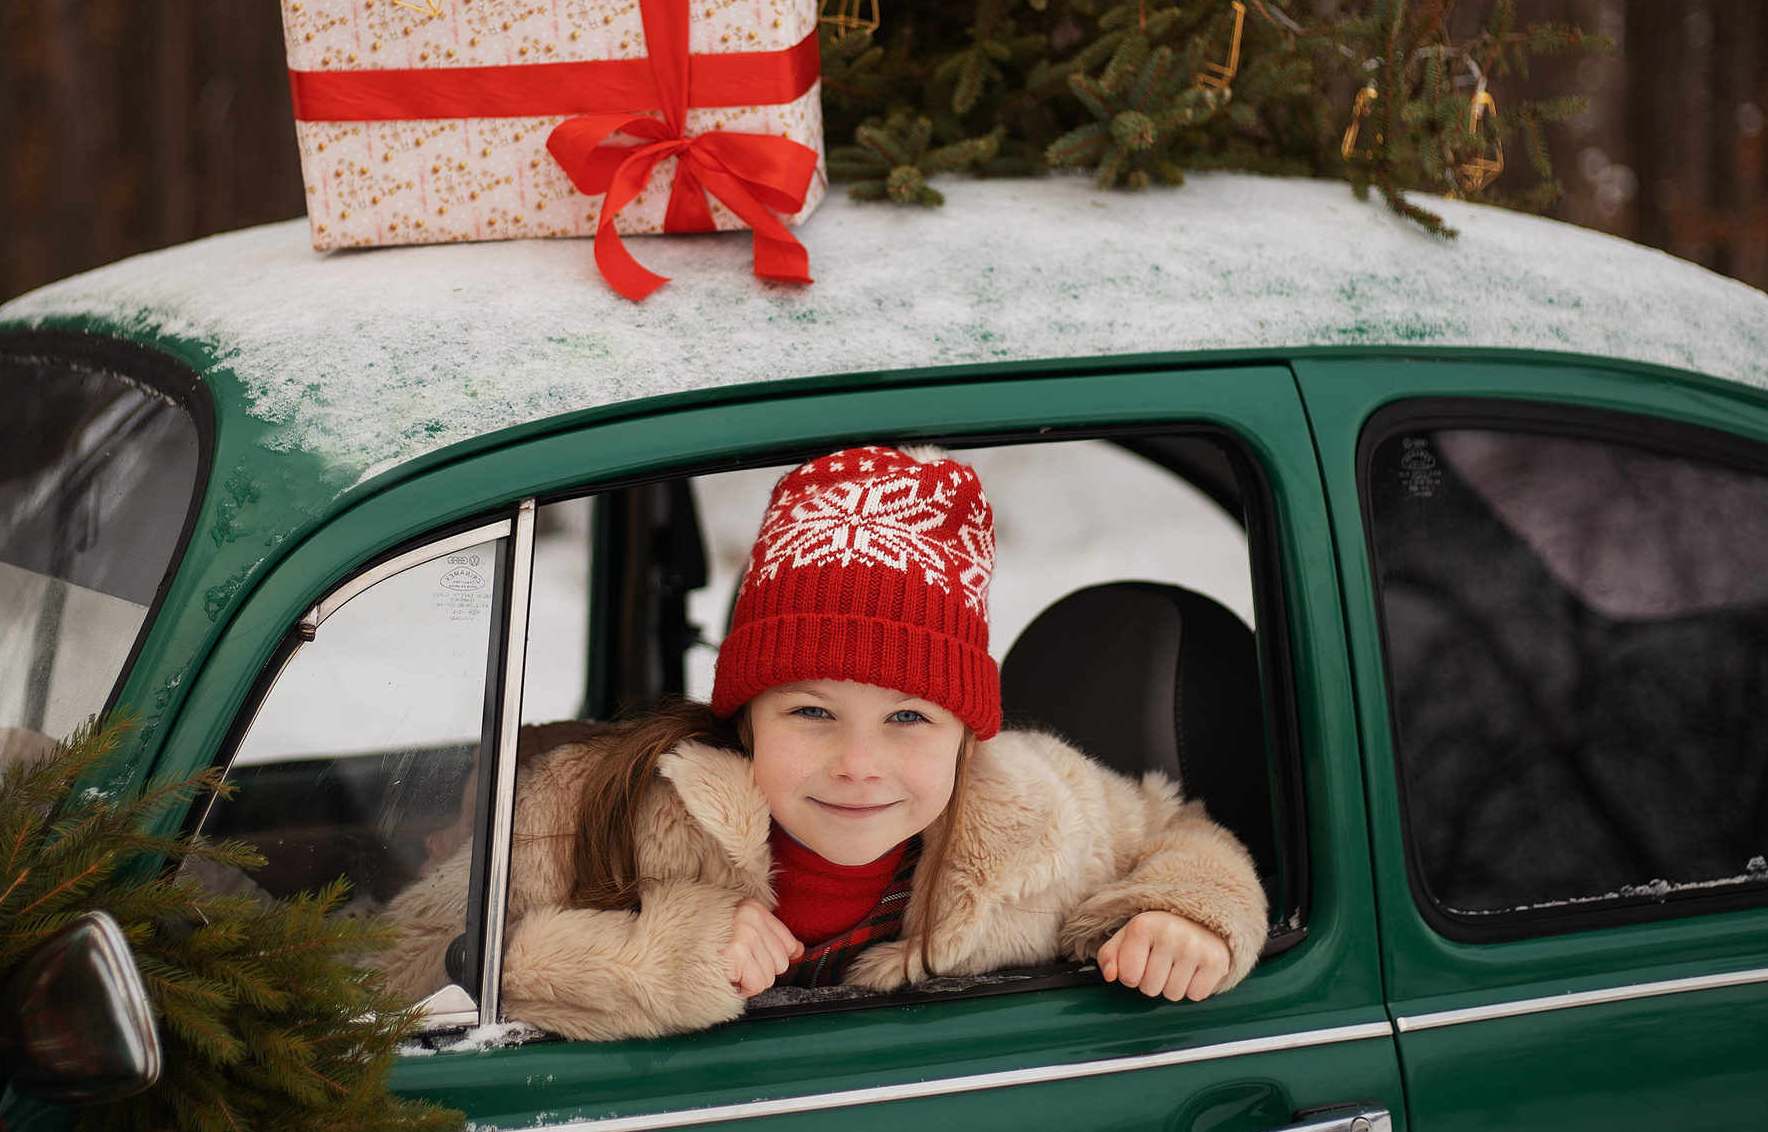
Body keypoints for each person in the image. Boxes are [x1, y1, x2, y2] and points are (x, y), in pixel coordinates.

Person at [382, 445, 1269, 1041]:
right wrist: (662, 958)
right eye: (811, 712)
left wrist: (1188, 915)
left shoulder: (1041, 816)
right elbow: (395, 972)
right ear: (745, 716)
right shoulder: (588, 809)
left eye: (909, 717)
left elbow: (1181, 833)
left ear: (968, 733)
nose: (858, 762)